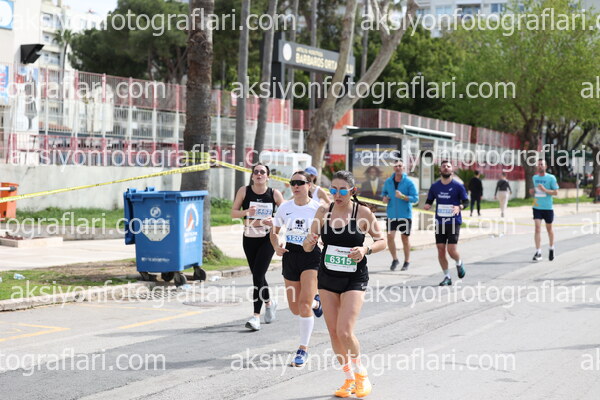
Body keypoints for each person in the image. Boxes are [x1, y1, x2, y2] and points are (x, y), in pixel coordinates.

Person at [303, 171, 386, 398]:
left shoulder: (363, 213)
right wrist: (309, 242)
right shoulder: (323, 211)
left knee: (345, 332)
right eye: (333, 190)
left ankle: (361, 376)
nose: (337, 195)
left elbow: (381, 241)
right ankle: (348, 379)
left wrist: (366, 249)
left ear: (352, 191)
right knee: (333, 333)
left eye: (342, 190)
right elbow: (308, 245)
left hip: (354, 278)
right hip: (327, 277)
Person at [270, 170, 324, 367]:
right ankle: (317, 304)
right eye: (293, 183)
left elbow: (326, 233)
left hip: (311, 256)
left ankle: (303, 349)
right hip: (291, 255)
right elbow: (274, 231)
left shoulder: (317, 208)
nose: (296, 186)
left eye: (300, 183)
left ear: (309, 185)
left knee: (304, 305)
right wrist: (276, 246)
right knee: (295, 308)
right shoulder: (285, 207)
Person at [231, 163, 284, 331]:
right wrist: (247, 211)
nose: (259, 174)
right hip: (249, 238)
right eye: (256, 172)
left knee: (258, 276)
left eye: (262, 172)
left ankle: (255, 317)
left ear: (268, 176)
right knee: (258, 275)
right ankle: (269, 303)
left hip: (268, 238)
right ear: (252, 176)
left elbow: (285, 215)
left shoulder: (274, 194)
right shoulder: (244, 191)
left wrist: (274, 221)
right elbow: (233, 213)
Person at [423, 160, 469, 286]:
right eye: (443, 166)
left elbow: (466, 202)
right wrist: (427, 205)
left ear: (452, 170)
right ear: (440, 170)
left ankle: (459, 262)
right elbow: (430, 199)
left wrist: (459, 207)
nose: (446, 168)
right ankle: (447, 277)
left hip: (453, 221)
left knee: (451, 250)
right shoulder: (435, 186)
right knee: (440, 250)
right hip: (440, 222)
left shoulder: (458, 186)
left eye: (448, 166)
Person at [381, 160, 418, 271]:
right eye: (396, 166)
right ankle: (395, 259)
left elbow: (415, 198)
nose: (398, 168)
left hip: (405, 215)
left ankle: (407, 261)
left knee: (404, 238)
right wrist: (384, 198)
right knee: (390, 237)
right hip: (391, 214)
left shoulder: (409, 182)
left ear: (404, 168)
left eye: (400, 166)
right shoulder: (388, 181)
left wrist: (402, 196)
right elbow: (384, 193)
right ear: (393, 168)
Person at [529, 159, 558, 261]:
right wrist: (532, 191)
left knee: (549, 229)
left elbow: (556, 192)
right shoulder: (535, 178)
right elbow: (535, 191)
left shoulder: (551, 178)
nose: (540, 166)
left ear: (546, 166)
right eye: (539, 164)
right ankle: (538, 252)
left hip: (548, 208)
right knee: (537, 228)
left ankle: (551, 248)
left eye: (542, 164)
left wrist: (545, 190)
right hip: (537, 206)